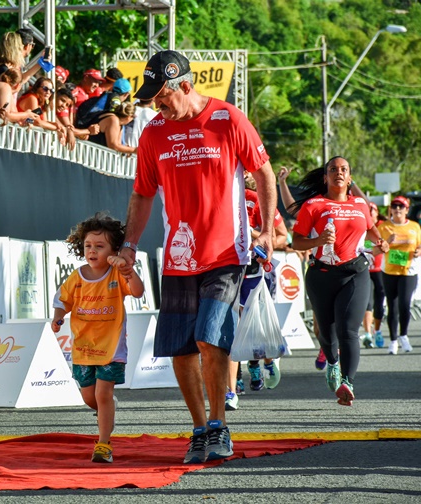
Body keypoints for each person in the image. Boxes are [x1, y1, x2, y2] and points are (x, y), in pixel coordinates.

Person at [117, 50, 277, 463]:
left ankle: (220, 423)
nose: (157, 105)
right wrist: (130, 244)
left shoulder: (228, 118)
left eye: (162, 97)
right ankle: (200, 429)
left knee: (209, 336)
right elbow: (142, 194)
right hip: (178, 257)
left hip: (226, 253)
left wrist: (265, 230)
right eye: (153, 99)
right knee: (182, 349)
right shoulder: (153, 134)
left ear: (185, 85)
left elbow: (263, 172)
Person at [290, 157, 388, 407]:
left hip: (355, 272)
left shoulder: (360, 204)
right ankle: (332, 362)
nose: (338, 173)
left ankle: (347, 383)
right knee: (326, 332)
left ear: (350, 177)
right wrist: (318, 241)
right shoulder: (313, 205)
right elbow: (297, 242)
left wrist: (381, 243)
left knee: (348, 330)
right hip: (321, 275)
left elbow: (372, 232)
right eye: (333, 169)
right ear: (325, 178)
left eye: (344, 169)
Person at [51, 213, 145, 464]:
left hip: (111, 348)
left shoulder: (117, 274)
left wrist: (128, 270)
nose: (92, 251)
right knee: (89, 398)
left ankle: (103, 444)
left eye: (99, 246)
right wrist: (58, 317)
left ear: (114, 250)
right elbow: (62, 300)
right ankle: (108, 408)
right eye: (88, 245)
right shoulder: (77, 276)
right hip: (83, 348)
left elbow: (138, 291)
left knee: (102, 394)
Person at [226, 177, 288, 411]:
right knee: (231, 326)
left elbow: (281, 236)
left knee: (254, 323)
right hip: (225, 267)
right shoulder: (219, 195)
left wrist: (256, 236)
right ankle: (234, 384)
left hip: (253, 270)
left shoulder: (256, 200)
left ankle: (260, 362)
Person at [377, 196, 421, 354]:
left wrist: (419, 251)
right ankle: (393, 341)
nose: (397, 209)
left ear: (407, 210)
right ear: (390, 209)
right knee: (392, 306)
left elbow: (419, 245)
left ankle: (404, 335)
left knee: (404, 304)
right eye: (394, 206)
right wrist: (388, 241)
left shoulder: (414, 226)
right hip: (389, 271)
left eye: (401, 206)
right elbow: (376, 247)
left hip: (409, 271)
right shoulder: (384, 227)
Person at [361, 202, 386, 348]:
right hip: (365, 270)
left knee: (379, 303)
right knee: (368, 303)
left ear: (377, 213)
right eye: (367, 210)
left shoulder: (383, 226)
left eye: (372, 210)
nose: (370, 212)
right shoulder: (361, 225)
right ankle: (368, 334)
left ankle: (377, 330)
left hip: (380, 270)